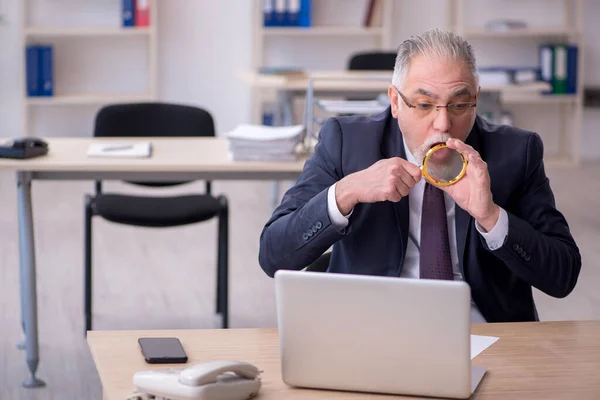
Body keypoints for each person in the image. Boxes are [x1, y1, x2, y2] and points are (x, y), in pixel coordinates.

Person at [258, 28, 581, 323]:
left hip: (482, 330)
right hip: (372, 325)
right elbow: (273, 254)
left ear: (476, 101)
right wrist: (345, 192)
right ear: (395, 101)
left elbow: (563, 276)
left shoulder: (516, 151)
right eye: (425, 105)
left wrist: (492, 217)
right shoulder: (347, 143)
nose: (442, 124)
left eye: (459, 105)